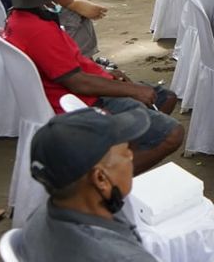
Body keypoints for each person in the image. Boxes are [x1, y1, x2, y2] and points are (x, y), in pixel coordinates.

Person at [3, 0, 184, 173]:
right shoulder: (37, 30)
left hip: (81, 89)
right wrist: (130, 90)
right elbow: (77, 82)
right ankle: (107, 180)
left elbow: (71, 64)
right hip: (80, 103)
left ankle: (123, 153)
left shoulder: (26, 16)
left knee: (166, 97)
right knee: (172, 133)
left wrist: (104, 73)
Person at [21, 109, 160, 261]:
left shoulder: (38, 218)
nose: (131, 156)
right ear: (100, 178)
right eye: (126, 151)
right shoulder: (125, 257)